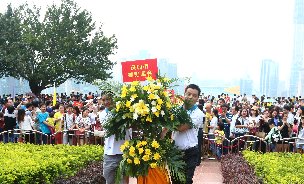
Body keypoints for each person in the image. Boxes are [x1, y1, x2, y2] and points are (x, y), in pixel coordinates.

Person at [172, 84, 204, 184]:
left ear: (197, 98)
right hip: (175, 151)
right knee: (175, 180)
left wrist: (167, 122)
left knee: (186, 180)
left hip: (190, 153)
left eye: (194, 95)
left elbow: (181, 128)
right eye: (189, 94)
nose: (191, 97)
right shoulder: (176, 109)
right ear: (184, 94)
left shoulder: (198, 114)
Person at [101, 93, 130, 184]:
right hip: (110, 154)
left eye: (108, 99)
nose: (106, 102)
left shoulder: (125, 112)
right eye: (103, 100)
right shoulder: (102, 114)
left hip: (125, 152)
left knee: (124, 182)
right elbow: (112, 127)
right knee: (109, 181)